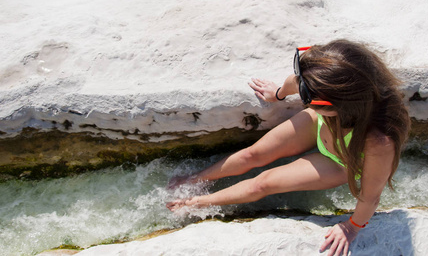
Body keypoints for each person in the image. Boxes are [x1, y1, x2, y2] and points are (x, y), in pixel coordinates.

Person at [167, 39, 411, 256]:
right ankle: (196, 178)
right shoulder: (320, 86)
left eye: (309, 96)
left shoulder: (378, 142)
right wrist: (278, 94)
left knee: (263, 182)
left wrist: (352, 227)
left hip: (340, 162)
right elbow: (295, 82)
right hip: (320, 125)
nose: (302, 93)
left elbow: (370, 196)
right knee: (254, 154)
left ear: (342, 103)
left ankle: (196, 202)